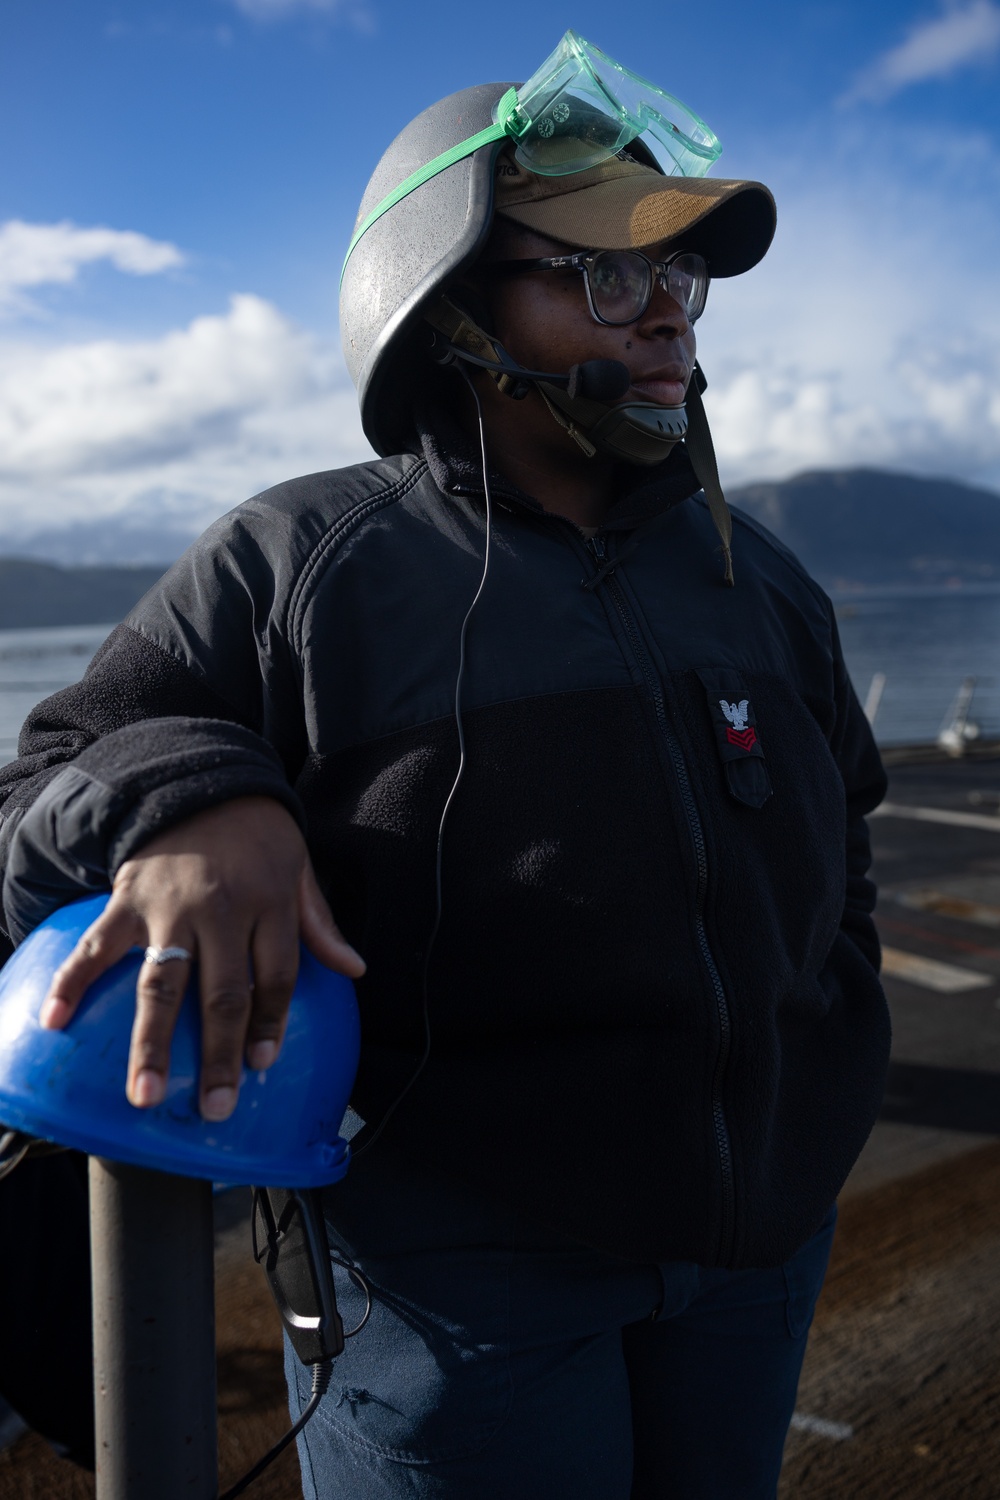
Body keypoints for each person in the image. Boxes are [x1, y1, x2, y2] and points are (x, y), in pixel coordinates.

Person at [0, 34, 891, 1500]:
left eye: (682, 275)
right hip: (454, 1287)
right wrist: (198, 798)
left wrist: (823, 1074)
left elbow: (844, 821)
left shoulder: (762, 577)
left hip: (762, 1251)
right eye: (608, 275)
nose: (669, 312)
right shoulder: (303, 565)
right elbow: (49, 776)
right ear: (446, 307)